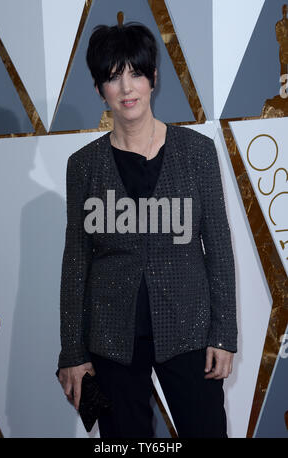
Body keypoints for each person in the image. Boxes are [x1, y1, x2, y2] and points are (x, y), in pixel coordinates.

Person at [56, 21, 238, 438]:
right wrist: (72, 351)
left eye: (135, 72)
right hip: (110, 342)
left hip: (190, 333)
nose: (126, 87)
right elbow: (76, 261)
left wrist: (224, 333)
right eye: (113, 76)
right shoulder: (82, 165)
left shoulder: (197, 152)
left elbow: (220, 247)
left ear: (153, 78)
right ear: (100, 87)